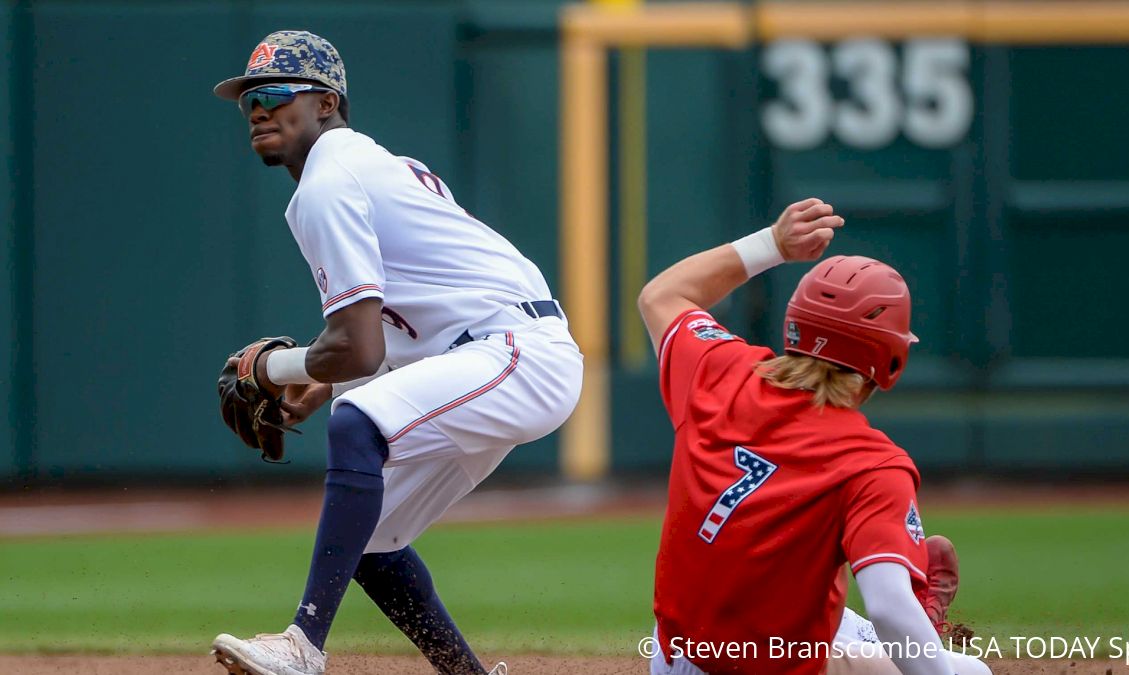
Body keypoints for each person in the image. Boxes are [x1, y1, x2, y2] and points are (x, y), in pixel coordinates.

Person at [207, 30, 581, 675]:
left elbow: (357, 344)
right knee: (373, 538)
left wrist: (271, 368)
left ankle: (302, 646)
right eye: (248, 100)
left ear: (326, 103)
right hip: (481, 353)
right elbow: (396, 324)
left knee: (359, 423)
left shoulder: (329, 179)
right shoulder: (364, 164)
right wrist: (322, 379)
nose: (258, 109)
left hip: (516, 352)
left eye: (274, 93)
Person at [636, 199, 989, 675]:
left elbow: (661, 296)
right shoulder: (871, 463)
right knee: (968, 672)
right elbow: (888, 609)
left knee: (825, 607)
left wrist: (773, 244)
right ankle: (925, 626)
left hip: (674, 657)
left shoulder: (719, 371)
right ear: (888, 359)